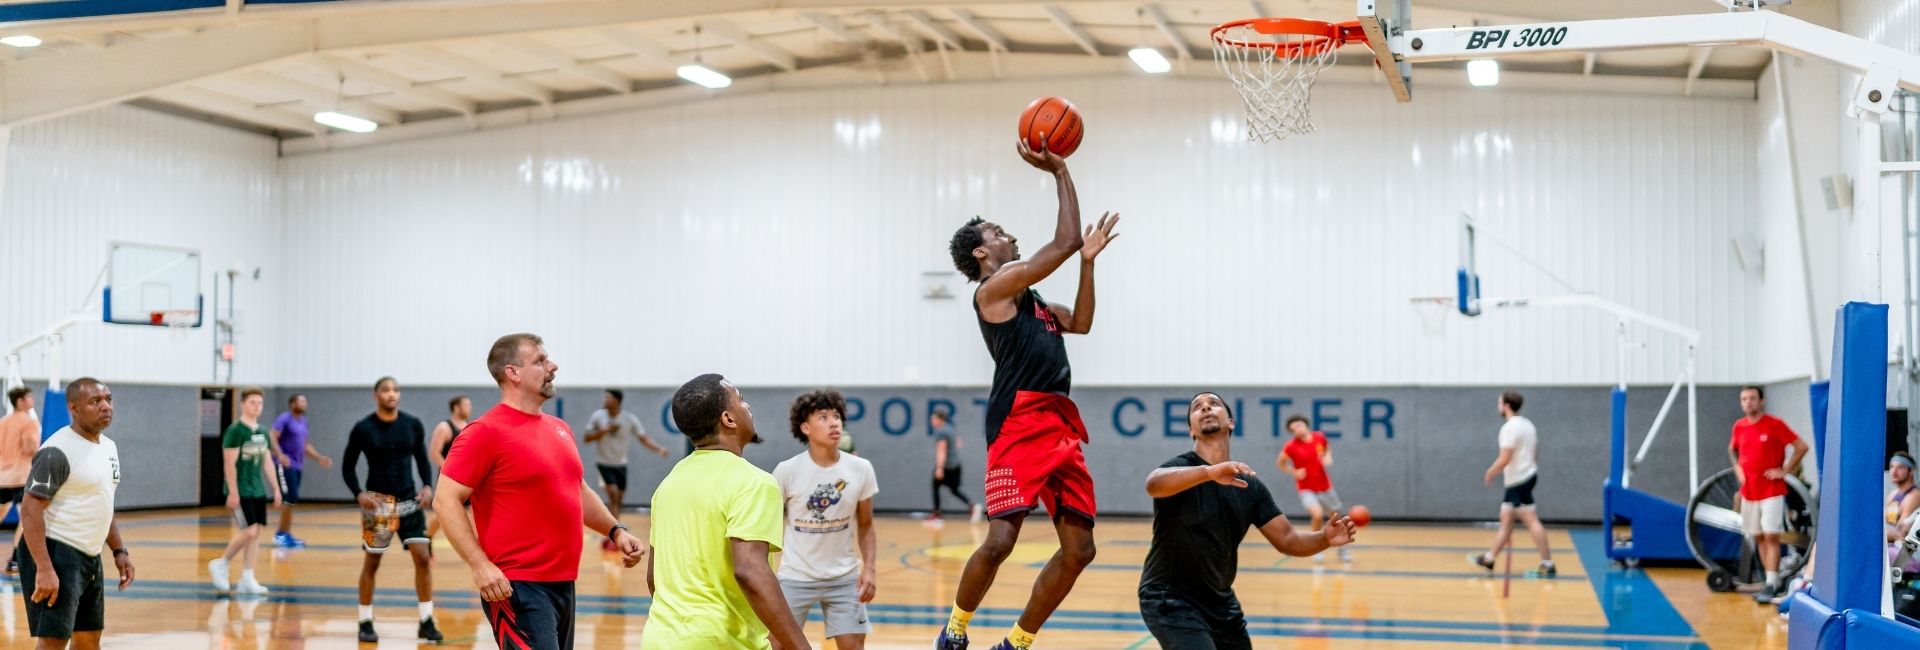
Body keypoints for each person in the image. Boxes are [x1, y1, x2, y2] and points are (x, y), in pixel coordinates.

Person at [938, 135, 1121, 650]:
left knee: (1080, 549)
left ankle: (1017, 641)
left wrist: (1087, 262)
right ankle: (953, 631)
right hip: (1018, 420)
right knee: (1000, 538)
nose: (1009, 236)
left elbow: (1080, 322)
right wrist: (1060, 171)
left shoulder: (1034, 300)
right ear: (981, 252)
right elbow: (1059, 244)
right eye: (998, 233)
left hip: (1058, 422)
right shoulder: (992, 291)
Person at [436, 334, 642, 650]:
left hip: (563, 584)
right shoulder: (484, 432)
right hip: (515, 586)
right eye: (541, 361)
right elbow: (445, 499)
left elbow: (578, 490)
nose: (552, 366)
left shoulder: (559, 428)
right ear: (512, 373)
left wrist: (615, 530)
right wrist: (480, 565)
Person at [1140, 393, 1356, 649]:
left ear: (1230, 422)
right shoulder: (1180, 470)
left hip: (1220, 602)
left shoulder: (1251, 487)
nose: (1206, 407)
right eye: (1197, 408)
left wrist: (1325, 538)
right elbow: (1154, 483)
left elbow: (1288, 540)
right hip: (1170, 597)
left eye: (1214, 404)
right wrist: (1209, 473)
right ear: (1191, 430)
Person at [641, 373, 809, 650]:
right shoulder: (754, 483)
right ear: (728, 419)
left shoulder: (669, 483)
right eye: (741, 400)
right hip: (719, 642)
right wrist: (800, 646)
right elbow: (750, 570)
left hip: (659, 639)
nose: (748, 406)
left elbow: (653, 577)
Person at [17, 378, 134, 650]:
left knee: (89, 638)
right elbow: (31, 511)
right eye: (95, 401)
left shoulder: (108, 447)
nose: (105, 406)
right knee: (54, 640)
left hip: (89, 556)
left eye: (108, 399)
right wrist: (45, 569)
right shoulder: (57, 451)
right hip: (57, 552)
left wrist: (119, 551)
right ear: (74, 408)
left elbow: (103, 502)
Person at [774, 390, 878, 650]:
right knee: (774, 645)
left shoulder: (861, 468)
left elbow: (866, 526)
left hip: (844, 578)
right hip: (795, 576)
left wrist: (870, 569)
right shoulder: (787, 471)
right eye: (823, 417)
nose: (834, 422)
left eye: (836, 416)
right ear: (805, 427)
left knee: (853, 647)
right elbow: (768, 525)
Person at [341, 376, 441, 642]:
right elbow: (347, 466)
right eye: (386, 390)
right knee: (372, 562)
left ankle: (426, 620)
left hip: (410, 501)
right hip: (378, 505)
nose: (392, 394)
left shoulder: (412, 424)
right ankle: (364, 620)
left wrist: (428, 486)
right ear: (376, 395)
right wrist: (359, 493)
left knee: (422, 557)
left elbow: (421, 458)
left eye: (395, 390)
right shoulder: (364, 428)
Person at [1726, 385, 1808, 602]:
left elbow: (1801, 446)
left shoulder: (1775, 424)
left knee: (1771, 535)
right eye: (1744, 399)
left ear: (1761, 401)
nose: (1748, 402)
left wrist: (1785, 470)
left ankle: (1772, 583)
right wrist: (1738, 469)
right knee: (1758, 536)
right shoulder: (1739, 426)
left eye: (1752, 398)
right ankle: (1769, 581)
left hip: (1771, 490)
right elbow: (1732, 450)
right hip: (1749, 491)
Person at [1469, 390, 1555, 578]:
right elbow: (1535, 453)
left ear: (1507, 405)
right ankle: (1489, 559)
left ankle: (1547, 564)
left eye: (1499, 403)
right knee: (1506, 518)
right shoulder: (1528, 425)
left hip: (1518, 481)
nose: (1498, 406)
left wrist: (1490, 472)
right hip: (1525, 477)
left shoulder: (1509, 428)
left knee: (1531, 520)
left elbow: (1505, 458)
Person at [208, 387, 281, 595]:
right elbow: (229, 463)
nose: (256, 406)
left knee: (256, 533)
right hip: (240, 490)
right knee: (248, 530)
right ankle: (222, 563)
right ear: (243, 404)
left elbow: (267, 461)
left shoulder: (262, 431)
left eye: (259, 403)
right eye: (252, 402)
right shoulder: (235, 431)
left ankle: (247, 577)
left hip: (257, 489)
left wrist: (275, 489)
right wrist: (232, 491)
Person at [583, 388, 668, 548]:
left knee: (619, 499)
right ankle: (613, 533)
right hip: (604, 463)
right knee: (613, 494)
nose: (605, 400)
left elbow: (643, 438)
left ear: (617, 401)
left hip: (620, 464)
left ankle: (617, 527)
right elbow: (587, 437)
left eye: (608, 397)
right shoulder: (598, 417)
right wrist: (603, 431)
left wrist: (659, 449)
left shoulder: (629, 419)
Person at [1277, 414, 1348, 563]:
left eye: (1298, 425)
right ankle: (1317, 548)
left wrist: (1328, 456)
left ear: (1305, 424)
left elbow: (1327, 449)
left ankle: (1343, 548)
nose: (1296, 429)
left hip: (1325, 486)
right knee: (1316, 515)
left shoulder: (1319, 437)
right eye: (1293, 429)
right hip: (1306, 488)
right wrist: (1294, 472)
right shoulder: (1291, 446)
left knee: (1336, 516)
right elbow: (1281, 463)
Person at [268, 394, 332, 549]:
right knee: (289, 497)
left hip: (297, 465)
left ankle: (286, 534)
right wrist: (280, 454)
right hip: (284, 465)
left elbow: (305, 445)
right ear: (292, 404)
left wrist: (318, 458)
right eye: (301, 401)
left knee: (292, 498)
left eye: (305, 401)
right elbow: (272, 436)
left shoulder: (304, 422)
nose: (305, 404)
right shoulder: (284, 418)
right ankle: (281, 535)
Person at [424, 395, 472, 546]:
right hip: (450, 478)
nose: (469, 408)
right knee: (443, 514)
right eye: (466, 404)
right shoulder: (444, 427)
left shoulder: (469, 427)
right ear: (456, 407)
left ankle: (478, 547)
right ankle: (427, 537)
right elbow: (434, 452)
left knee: (474, 510)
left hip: (468, 477)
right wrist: (450, 471)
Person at [1, 387, 40, 574]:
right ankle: (15, 560)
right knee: (26, 519)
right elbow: (30, 447)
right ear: (21, 401)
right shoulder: (29, 422)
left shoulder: (3, 421)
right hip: (21, 477)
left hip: (2, 476)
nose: (32, 400)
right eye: (29, 397)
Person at [929, 407, 980, 525]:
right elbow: (958, 442)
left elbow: (941, 450)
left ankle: (937, 515)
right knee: (954, 490)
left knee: (935, 485)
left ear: (940, 419)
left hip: (948, 466)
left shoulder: (941, 432)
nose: (932, 421)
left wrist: (939, 468)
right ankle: (972, 505)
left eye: (934, 418)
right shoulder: (949, 428)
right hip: (956, 465)